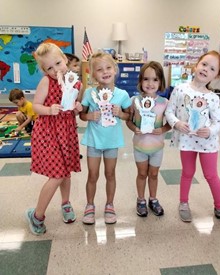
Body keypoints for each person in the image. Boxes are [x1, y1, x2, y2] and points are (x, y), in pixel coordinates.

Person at [165, 50, 220, 222]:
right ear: (196, 65)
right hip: (187, 140)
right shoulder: (180, 89)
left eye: (212, 69)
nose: (206, 70)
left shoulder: (213, 98)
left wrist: (210, 130)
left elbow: (218, 122)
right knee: (187, 172)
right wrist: (176, 123)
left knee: (211, 175)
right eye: (204, 64)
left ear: (216, 76)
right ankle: (183, 203)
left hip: (207, 143)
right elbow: (169, 111)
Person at [25, 42, 82, 235]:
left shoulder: (74, 81)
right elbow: (35, 106)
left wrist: (77, 108)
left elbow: (71, 108)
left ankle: (65, 203)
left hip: (66, 131)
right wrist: (49, 110)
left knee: (66, 171)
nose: (55, 69)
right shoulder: (46, 82)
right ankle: (37, 216)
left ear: (65, 59)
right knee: (57, 174)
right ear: (44, 70)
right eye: (49, 67)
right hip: (49, 133)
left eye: (58, 63)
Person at [80, 52, 131, 225]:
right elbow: (82, 115)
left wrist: (121, 113)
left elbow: (128, 116)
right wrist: (89, 116)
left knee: (110, 173)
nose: (105, 72)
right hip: (94, 141)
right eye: (99, 69)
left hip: (112, 142)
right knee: (92, 175)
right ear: (93, 73)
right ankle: (90, 205)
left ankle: (110, 205)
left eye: (108, 67)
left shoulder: (122, 94)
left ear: (115, 69)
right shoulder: (89, 93)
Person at [126, 61, 171, 217]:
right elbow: (128, 121)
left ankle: (153, 199)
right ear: (140, 81)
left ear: (161, 82)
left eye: (155, 79)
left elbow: (170, 124)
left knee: (153, 174)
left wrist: (162, 129)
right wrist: (135, 128)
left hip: (157, 147)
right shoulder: (135, 101)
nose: (150, 83)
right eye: (146, 79)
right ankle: (140, 200)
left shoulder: (164, 103)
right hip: (140, 146)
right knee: (142, 174)